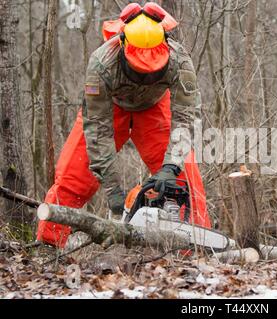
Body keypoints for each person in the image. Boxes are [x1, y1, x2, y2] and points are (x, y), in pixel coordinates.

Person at [37, 2, 211, 248]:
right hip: (111, 109)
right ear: (123, 45)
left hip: (154, 109)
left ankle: (196, 248)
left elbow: (185, 118)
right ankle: (48, 246)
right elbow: (97, 128)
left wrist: (170, 167)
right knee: (72, 178)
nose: (145, 75)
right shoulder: (101, 64)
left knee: (185, 179)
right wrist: (111, 186)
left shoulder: (180, 61)